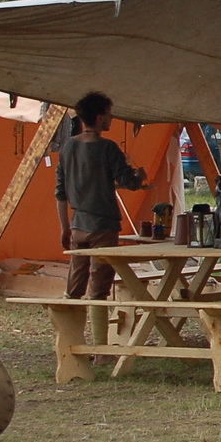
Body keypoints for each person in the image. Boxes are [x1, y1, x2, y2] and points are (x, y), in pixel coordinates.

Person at [55, 91, 147, 300]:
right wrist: (139, 176)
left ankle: (70, 328)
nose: (111, 118)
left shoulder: (68, 147)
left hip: (78, 224)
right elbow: (129, 183)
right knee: (99, 288)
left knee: (74, 286)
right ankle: (98, 331)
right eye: (109, 114)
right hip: (103, 226)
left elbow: (60, 192)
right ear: (99, 118)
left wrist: (65, 227)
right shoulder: (108, 148)